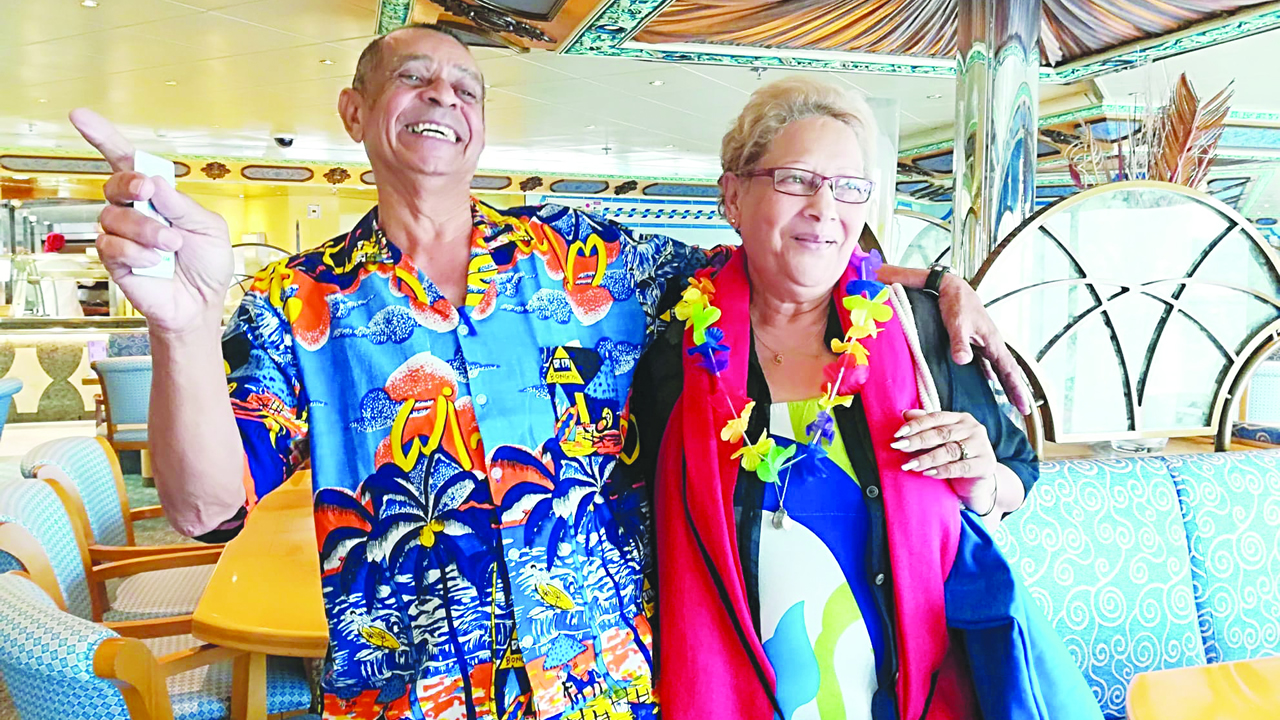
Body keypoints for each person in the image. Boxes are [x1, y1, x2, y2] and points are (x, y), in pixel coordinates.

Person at [71, 24, 1034, 720]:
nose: (444, 96)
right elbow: (205, 509)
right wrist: (182, 329)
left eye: (466, 87)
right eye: (415, 78)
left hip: (609, 686)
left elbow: (784, 257)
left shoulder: (594, 262)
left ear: (482, 128)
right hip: (414, 692)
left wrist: (937, 280)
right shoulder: (294, 303)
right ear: (356, 111)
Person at [631, 77, 1100, 720]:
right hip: (737, 698)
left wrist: (983, 478)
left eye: (849, 186)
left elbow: (1018, 470)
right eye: (796, 179)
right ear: (733, 195)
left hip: (923, 696)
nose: (825, 208)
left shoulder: (919, 327)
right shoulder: (670, 354)